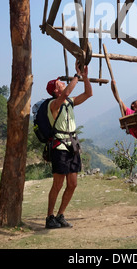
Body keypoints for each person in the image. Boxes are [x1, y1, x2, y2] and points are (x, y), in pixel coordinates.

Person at [45, 62, 92, 229]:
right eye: (60, 84)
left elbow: (88, 93)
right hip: (59, 148)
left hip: (72, 146)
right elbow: (67, 93)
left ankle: (60, 215)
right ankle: (50, 217)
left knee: (72, 184)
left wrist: (85, 78)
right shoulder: (53, 104)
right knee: (57, 184)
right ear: (56, 91)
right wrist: (77, 75)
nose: (63, 83)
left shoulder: (69, 102)